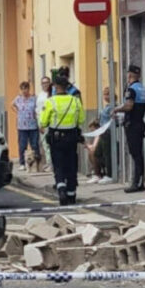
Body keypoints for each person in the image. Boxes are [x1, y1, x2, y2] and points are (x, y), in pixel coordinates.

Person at [39, 75, 85, 206]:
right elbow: (81, 119)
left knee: (58, 165)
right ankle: (72, 194)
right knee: (71, 165)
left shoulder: (50, 102)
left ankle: (61, 191)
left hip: (56, 138)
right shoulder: (75, 101)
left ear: (55, 87)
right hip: (71, 138)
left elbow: (43, 121)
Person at [114, 64, 145, 193]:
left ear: (129, 75)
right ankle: (139, 181)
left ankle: (137, 183)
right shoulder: (143, 89)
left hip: (132, 125)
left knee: (135, 154)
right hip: (140, 123)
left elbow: (129, 106)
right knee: (138, 153)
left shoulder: (131, 89)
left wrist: (117, 109)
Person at [11, 81, 41, 172]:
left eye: (26, 88)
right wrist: (17, 112)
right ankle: (22, 163)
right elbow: (12, 105)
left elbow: (38, 108)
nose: (24, 91)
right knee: (22, 145)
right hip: (22, 126)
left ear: (29, 89)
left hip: (33, 125)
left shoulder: (34, 98)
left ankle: (36, 163)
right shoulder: (18, 98)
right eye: (22, 89)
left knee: (34, 145)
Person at [36, 76, 53, 173]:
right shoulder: (40, 95)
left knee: (49, 143)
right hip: (40, 120)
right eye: (43, 83)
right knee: (44, 144)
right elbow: (38, 109)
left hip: (49, 121)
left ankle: (51, 164)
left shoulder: (52, 94)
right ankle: (48, 162)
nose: (45, 84)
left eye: (47, 82)